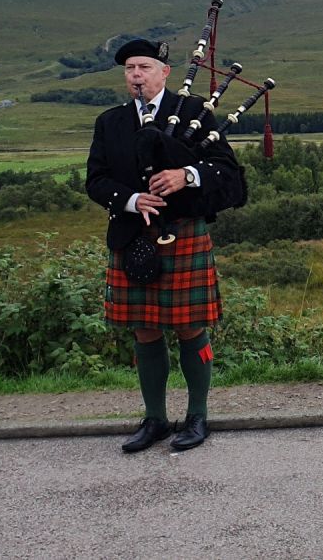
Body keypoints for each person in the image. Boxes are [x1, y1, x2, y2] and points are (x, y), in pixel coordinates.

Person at [86, 38, 244, 453]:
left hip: (182, 232)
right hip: (131, 233)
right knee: (144, 330)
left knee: (191, 326)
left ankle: (197, 417)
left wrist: (186, 175)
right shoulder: (110, 122)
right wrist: (133, 200)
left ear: (164, 72)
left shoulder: (194, 113)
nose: (135, 75)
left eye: (144, 67)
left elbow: (227, 171)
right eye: (129, 69)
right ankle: (154, 419)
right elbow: (96, 181)